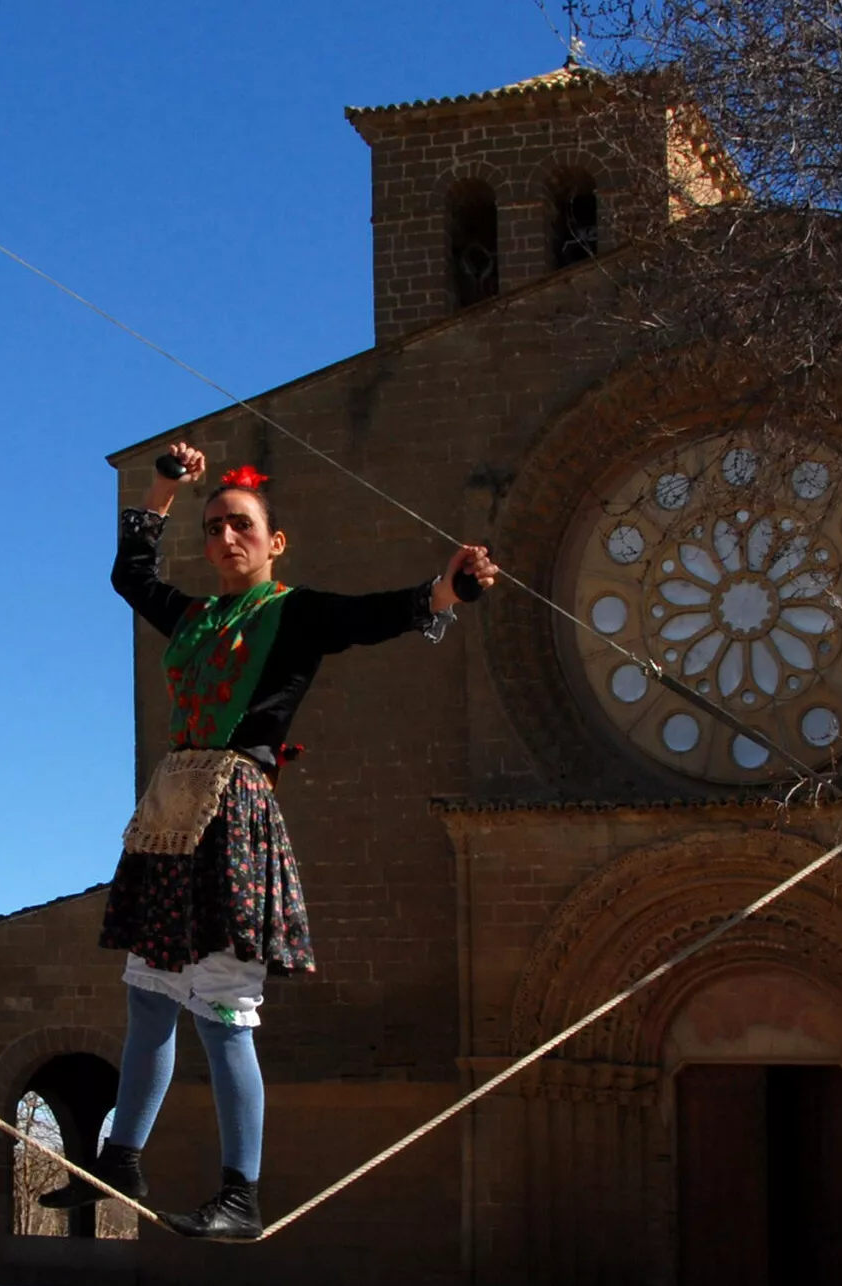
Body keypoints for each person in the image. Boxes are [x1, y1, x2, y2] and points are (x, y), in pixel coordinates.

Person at [39, 442, 499, 1241]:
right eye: (214, 526)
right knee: (148, 1000)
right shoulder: (193, 617)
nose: (225, 538)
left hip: (230, 820)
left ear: (274, 541)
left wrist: (447, 587)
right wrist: (162, 488)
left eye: (241, 525)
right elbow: (131, 576)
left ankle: (240, 1191)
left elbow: (376, 613)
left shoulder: (295, 613)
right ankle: (121, 1156)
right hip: (168, 817)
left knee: (220, 1011)